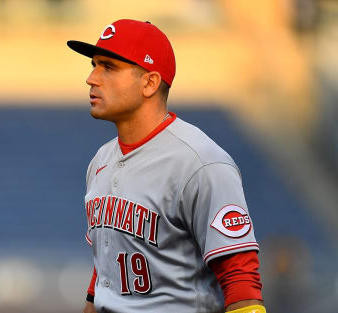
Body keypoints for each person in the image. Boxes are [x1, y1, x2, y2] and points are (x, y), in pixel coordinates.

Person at [67, 19, 266, 313]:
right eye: (94, 64)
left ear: (149, 83)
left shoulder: (201, 162)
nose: (91, 78)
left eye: (108, 67)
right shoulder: (100, 161)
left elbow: (240, 278)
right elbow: (104, 274)